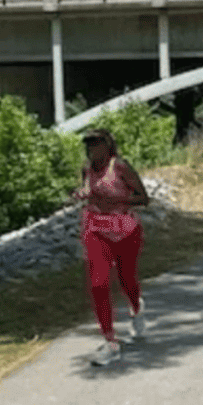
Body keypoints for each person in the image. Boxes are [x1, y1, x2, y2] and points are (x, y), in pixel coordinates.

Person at [72, 127, 151, 366]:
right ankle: (110, 342)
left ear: (108, 146)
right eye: (88, 145)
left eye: (96, 144)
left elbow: (143, 198)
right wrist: (81, 194)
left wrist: (116, 200)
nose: (91, 149)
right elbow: (88, 188)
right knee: (98, 283)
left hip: (125, 229)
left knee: (127, 280)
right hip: (96, 229)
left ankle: (136, 307)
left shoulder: (121, 167)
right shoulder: (87, 169)